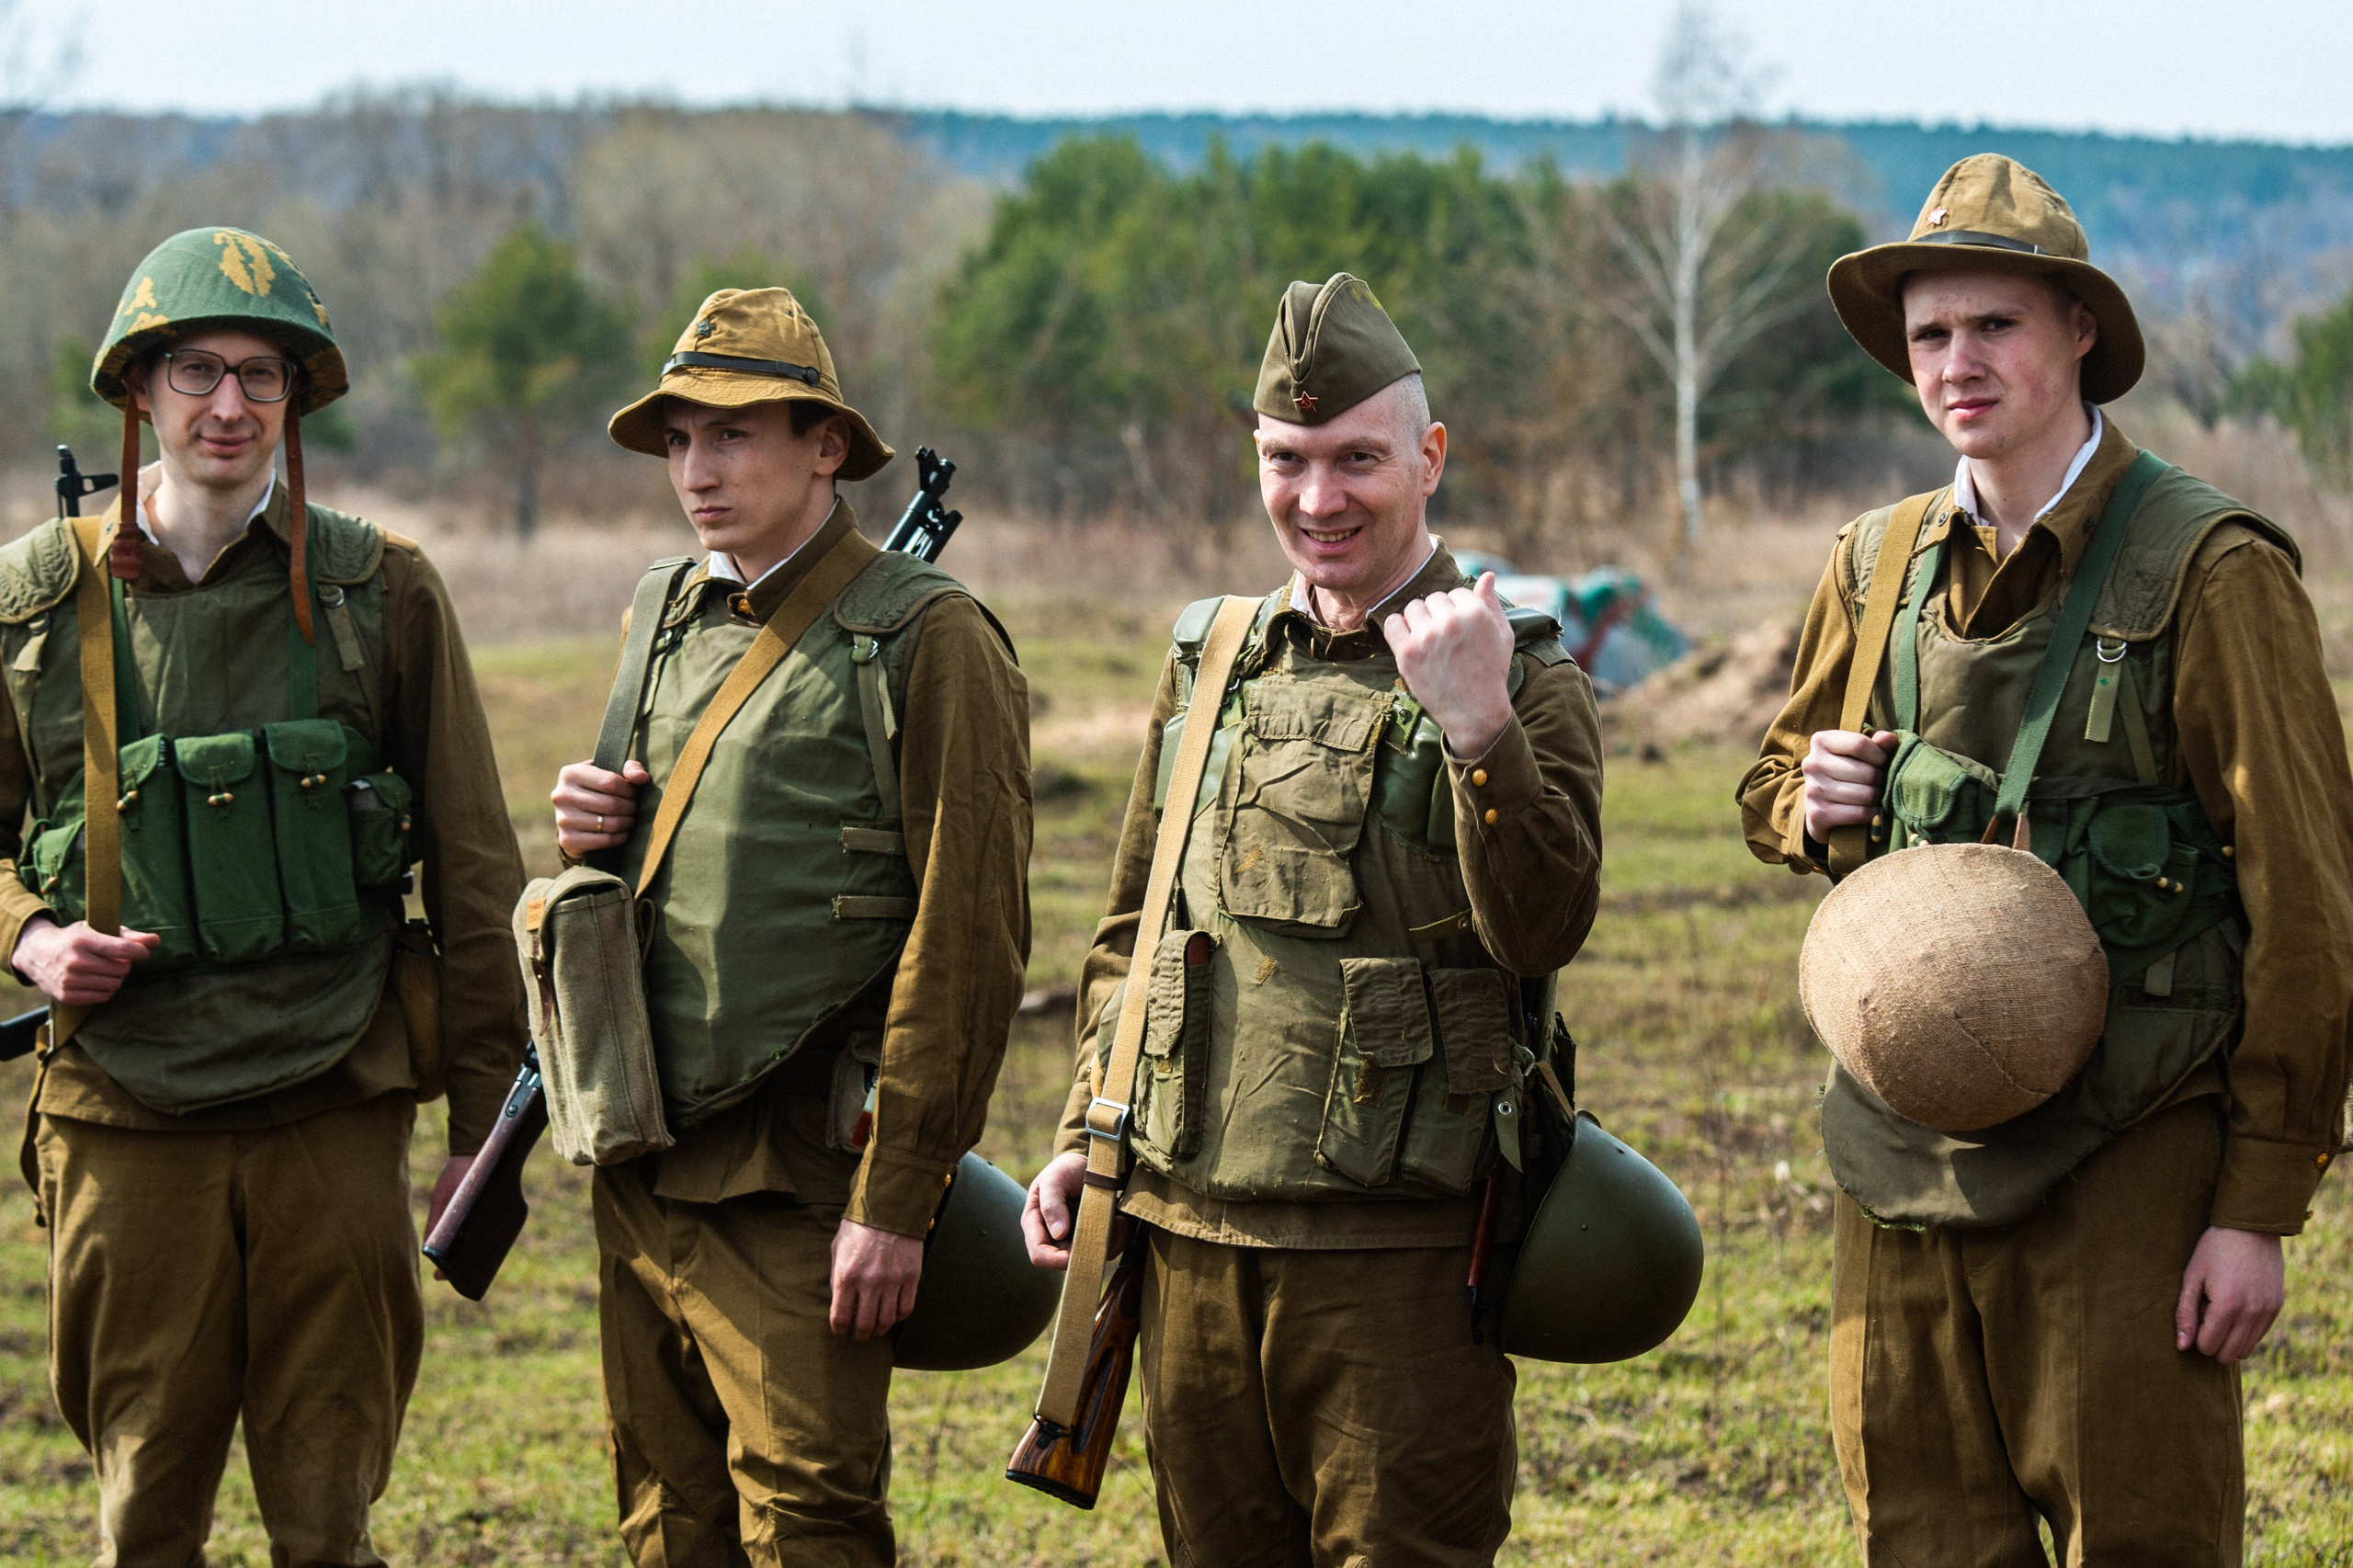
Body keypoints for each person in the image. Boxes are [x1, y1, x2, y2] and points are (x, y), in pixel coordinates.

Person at [1738, 155, 2353, 1563]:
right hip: (1899, 1153)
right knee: (1920, 1534)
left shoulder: (2212, 567)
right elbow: (1774, 782)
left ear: (2081, 331)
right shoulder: (1875, 563)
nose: (1958, 362)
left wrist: (2256, 1208)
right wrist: (1817, 804)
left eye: (1994, 325)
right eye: (1930, 334)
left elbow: (2311, 903)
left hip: (2130, 1147)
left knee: (2140, 1534)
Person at [1020, 272, 1604, 1566]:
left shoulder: (1519, 668)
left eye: (1357, 459)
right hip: (1188, 1240)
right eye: (1287, 459)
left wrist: (1479, 726)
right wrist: (1084, 1138)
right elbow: (1134, 929)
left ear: (1429, 458)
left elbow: (1546, 931)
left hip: (1399, 1262)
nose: (1318, 498)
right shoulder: (1212, 657)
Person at [6, 226, 526, 1561]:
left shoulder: (382, 589)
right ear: (138, 390)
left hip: (331, 1107)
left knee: (327, 1520)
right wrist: (33, 937)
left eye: (261, 375)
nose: (228, 405)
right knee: (142, 1518)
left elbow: (476, 873)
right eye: (195, 370)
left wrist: (483, 1132)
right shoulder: (32, 603)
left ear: (297, 398)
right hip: (125, 1117)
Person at [549, 286, 1032, 1564]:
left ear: (827, 446)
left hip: (798, 1174)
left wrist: (898, 1198)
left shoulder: (930, 637)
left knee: (809, 1519)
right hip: (643, 1152)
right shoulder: (663, 612)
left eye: (732, 435)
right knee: (666, 1516)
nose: (696, 472)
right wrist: (593, 826)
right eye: (678, 441)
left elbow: (968, 942)